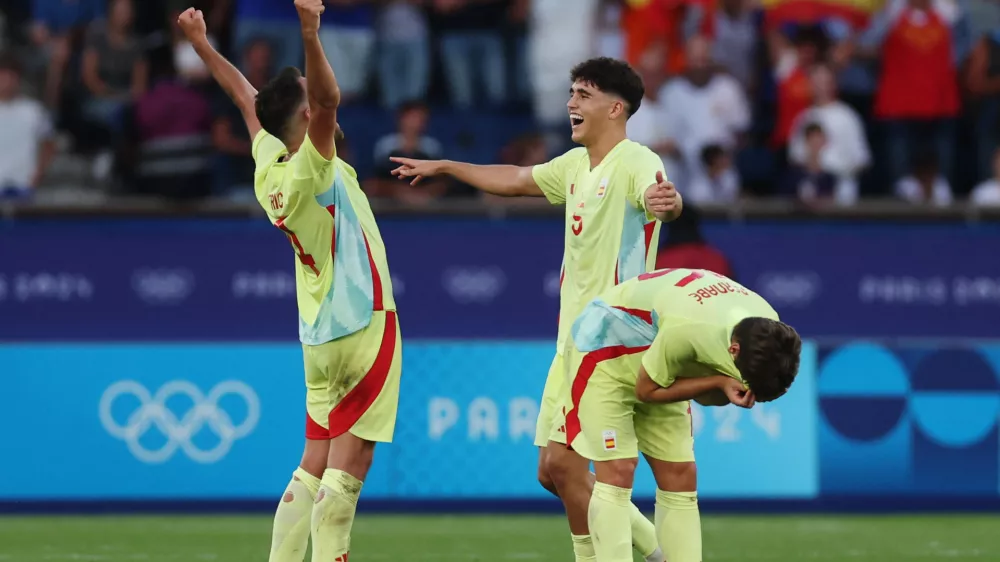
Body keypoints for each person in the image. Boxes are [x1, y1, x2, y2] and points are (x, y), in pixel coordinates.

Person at [391, 57, 681, 562]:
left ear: (616, 108)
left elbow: (662, 197)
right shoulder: (573, 165)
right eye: (571, 93)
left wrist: (668, 202)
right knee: (553, 472)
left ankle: (659, 555)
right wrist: (448, 167)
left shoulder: (637, 161)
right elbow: (516, 177)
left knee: (571, 469)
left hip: (611, 341)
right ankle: (655, 553)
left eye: (583, 95)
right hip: (573, 340)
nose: (571, 104)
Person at [177, 4, 401, 562]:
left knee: (313, 464)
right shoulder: (310, 167)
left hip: (318, 335)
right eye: (310, 94)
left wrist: (203, 45)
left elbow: (242, 96)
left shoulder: (270, 164)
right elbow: (328, 99)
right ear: (304, 117)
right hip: (363, 324)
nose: (321, 91)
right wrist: (309, 31)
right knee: (348, 475)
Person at [565, 267, 801, 562]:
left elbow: (703, 395)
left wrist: (722, 387)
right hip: (605, 351)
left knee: (680, 474)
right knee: (617, 471)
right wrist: (717, 382)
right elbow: (647, 390)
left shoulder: (770, 333)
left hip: (662, 361)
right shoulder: (688, 329)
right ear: (733, 350)